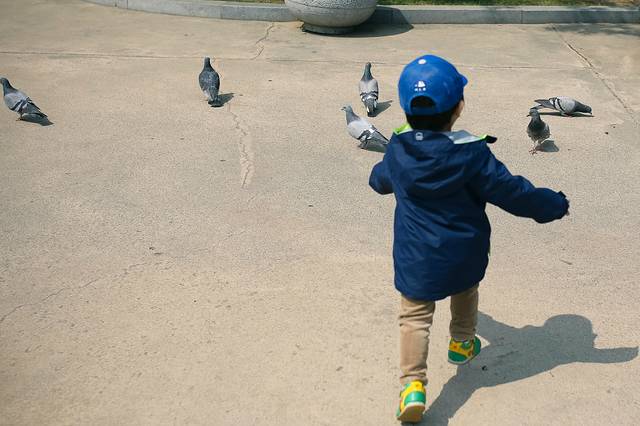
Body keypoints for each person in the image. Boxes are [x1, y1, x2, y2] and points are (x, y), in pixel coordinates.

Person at [368, 55, 570, 423]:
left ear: (405, 108)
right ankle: (462, 342)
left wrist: (379, 178)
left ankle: (412, 386)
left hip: (416, 258)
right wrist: (552, 204)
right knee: (465, 290)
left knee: (415, 317)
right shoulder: (472, 153)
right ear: (459, 107)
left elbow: (380, 180)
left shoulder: (399, 148)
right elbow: (513, 193)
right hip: (464, 252)